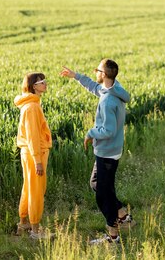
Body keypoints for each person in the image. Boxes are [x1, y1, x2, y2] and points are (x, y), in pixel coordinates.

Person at [59, 59, 135, 244]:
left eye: (97, 70)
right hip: (109, 150)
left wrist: (90, 133)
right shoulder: (112, 89)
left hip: (107, 152)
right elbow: (94, 87)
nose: (95, 72)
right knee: (98, 185)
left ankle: (113, 235)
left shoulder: (108, 100)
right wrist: (75, 76)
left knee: (103, 195)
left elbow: (107, 131)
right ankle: (123, 216)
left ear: (104, 74)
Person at [14, 72, 52, 239]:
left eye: (44, 81)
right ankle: (36, 231)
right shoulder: (32, 107)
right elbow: (33, 136)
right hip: (34, 154)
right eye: (41, 82)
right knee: (37, 191)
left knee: (28, 188)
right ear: (34, 87)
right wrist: (37, 161)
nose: (45, 84)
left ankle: (24, 224)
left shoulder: (31, 104)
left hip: (29, 153)